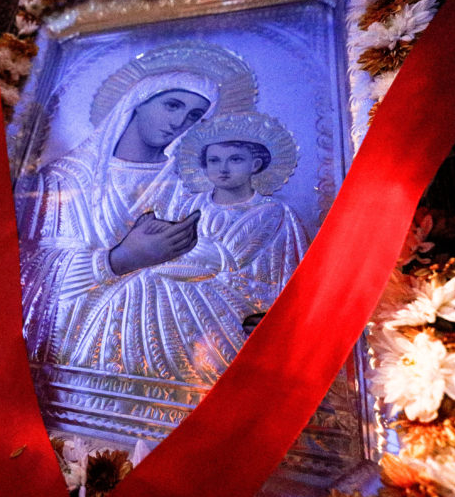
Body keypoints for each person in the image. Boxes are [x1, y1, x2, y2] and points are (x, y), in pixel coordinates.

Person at [15, 42, 257, 371]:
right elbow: (28, 273)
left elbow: (225, 264)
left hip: (162, 351)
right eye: (172, 105)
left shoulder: (189, 184)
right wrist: (119, 259)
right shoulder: (63, 179)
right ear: (139, 100)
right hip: (69, 354)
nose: (179, 122)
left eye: (193, 116)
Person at [65, 111, 309, 385]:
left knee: (148, 284)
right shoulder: (192, 204)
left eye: (235, 159)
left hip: (236, 297)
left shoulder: (272, 212)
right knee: (136, 285)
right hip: (176, 283)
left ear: (256, 164)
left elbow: (256, 266)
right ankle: (117, 373)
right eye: (214, 160)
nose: (223, 168)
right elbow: (168, 247)